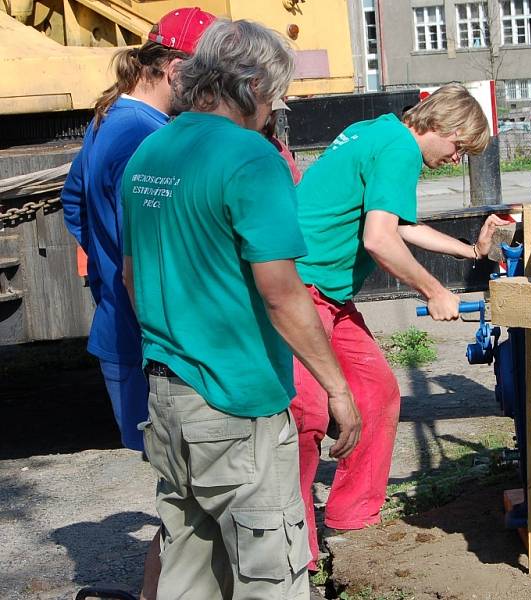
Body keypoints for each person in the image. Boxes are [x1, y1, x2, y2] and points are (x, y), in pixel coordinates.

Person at [121, 19, 361, 600]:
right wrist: (337, 388)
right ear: (251, 85)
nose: (272, 112)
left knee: (188, 571)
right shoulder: (252, 159)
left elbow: (131, 276)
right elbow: (281, 292)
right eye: (274, 97)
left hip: (168, 398)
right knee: (269, 576)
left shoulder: (151, 150)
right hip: (237, 402)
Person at [291, 83, 506, 568]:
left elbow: (399, 223)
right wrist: (433, 290)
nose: (455, 160)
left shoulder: (380, 132)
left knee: (377, 392)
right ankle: (292, 545)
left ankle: (353, 517)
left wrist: (470, 251)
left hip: (329, 293)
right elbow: (379, 239)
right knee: (304, 418)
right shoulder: (399, 148)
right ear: (445, 128)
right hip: (298, 289)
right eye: (458, 149)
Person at [60, 7, 216, 599]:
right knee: (192, 497)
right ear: (177, 69)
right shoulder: (145, 136)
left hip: (125, 333)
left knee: (185, 496)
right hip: (153, 344)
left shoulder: (110, 121)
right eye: (210, 79)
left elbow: (74, 201)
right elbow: (145, 257)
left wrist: (104, 279)